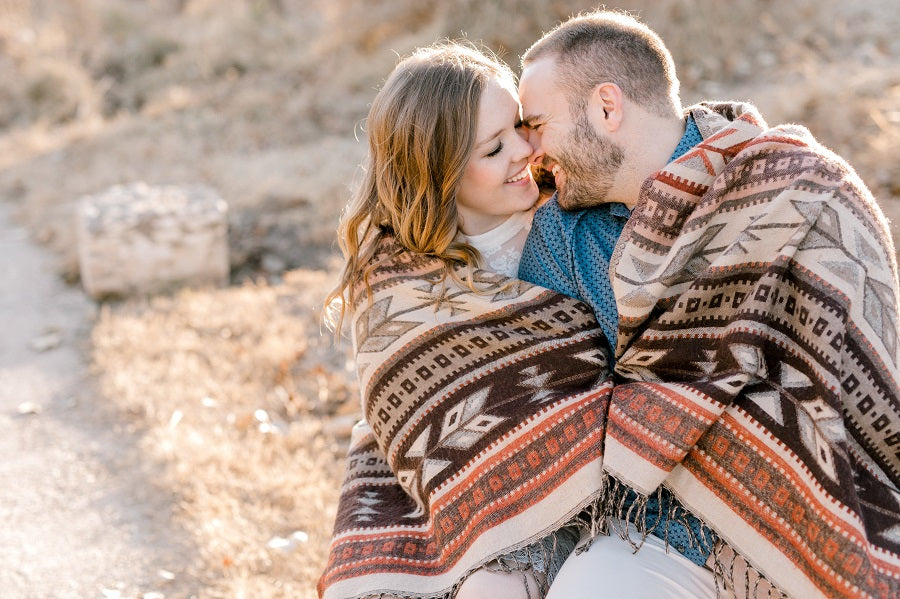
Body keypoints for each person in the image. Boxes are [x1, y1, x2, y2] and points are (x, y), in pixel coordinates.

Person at [515, 9, 900, 599]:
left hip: (814, 522)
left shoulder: (806, 190)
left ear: (607, 107)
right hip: (659, 535)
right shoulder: (563, 234)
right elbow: (553, 411)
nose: (531, 152)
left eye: (538, 125)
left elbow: (863, 387)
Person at [319, 41, 605, 599]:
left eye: (521, 126)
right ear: (440, 174)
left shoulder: (577, 219)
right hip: (448, 499)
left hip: (591, 487)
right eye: (494, 148)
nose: (525, 150)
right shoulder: (393, 279)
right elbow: (408, 407)